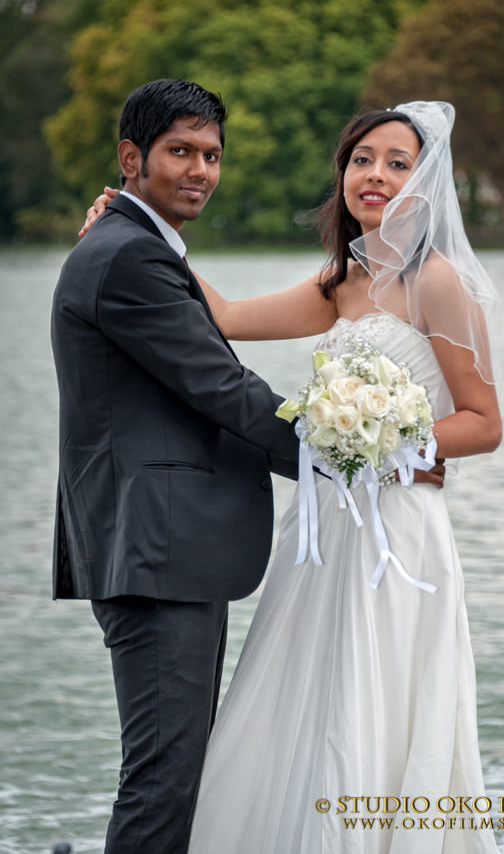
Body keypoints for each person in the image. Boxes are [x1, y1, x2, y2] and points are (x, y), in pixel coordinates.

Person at [84, 101, 500, 853]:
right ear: (342, 172)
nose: (373, 175)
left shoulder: (439, 282)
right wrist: (137, 230)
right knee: (302, 703)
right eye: (360, 158)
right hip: (322, 530)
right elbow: (227, 317)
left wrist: (381, 445)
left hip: (397, 535)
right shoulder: (343, 279)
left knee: (376, 704)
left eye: (396, 163)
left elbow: (481, 422)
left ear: (424, 182)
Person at [50, 78, 301, 854]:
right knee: (163, 777)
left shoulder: (133, 246)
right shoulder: (127, 256)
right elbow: (221, 387)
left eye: (212, 155)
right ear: (132, 158)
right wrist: (353, 458)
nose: (199, 170)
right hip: (156, 551)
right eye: (180, 152)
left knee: (173, 770)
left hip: (166, 550)